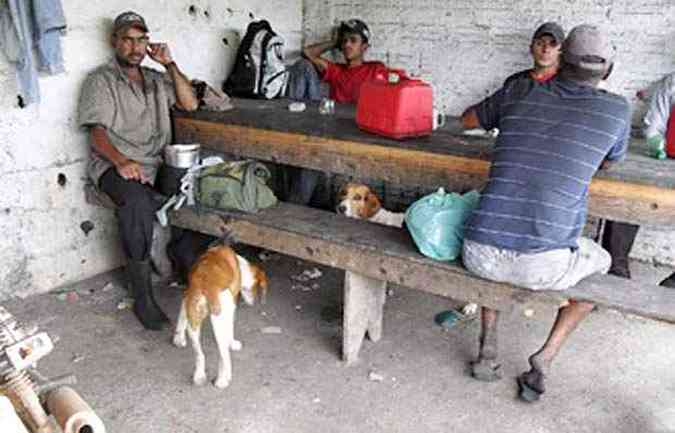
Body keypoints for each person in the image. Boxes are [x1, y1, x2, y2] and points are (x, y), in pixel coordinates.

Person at [460, 25, 631, 402]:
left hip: (477, 252)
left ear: (560, 61)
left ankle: (488, 348)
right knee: (602, 264)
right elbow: (608, 162)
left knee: (501, 226)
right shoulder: (617, 110)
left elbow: (467, 120)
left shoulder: (519, 90)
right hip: (542, 266)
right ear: (608, 71)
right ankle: (545, 358)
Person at [78, 11, 198, 330]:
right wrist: (120, 161)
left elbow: (190, 105)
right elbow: (96, 132)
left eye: (141, 40)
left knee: (196, 186)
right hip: (113, 164)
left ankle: (185, 258)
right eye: (128, 40)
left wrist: (169, 65)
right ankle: (142, 294)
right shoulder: (100, 80)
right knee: (136, 203)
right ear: (114, 41)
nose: (135, 47)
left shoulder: (158, 78)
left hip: (154, 163)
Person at [283, 19, 387, 206]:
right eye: (345, 41)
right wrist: (334, 42)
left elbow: (390, 93)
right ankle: (290, 125)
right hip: (329, 122)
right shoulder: (337, 70)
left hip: (356, 129)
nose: (347, 45)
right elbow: (308, 53)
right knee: (302, 65)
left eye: (353, 40)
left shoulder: (375, 68)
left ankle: (293, 209)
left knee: (311, 158)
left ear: (365, 47)